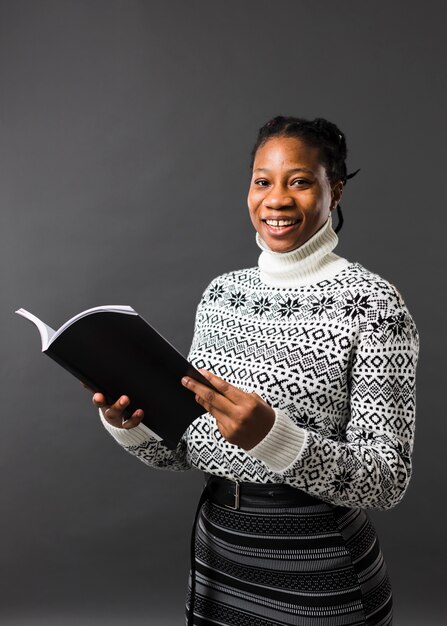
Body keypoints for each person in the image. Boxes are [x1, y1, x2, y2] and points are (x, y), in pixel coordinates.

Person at [92, 116, 419, 626]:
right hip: (220, 555)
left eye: (301, 181)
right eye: (263, 181)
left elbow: (386, 479)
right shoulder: (222, 296)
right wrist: (128, 422)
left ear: (334, 192)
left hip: (320, 565)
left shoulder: (373, 303)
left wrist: (275, 438)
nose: (277, 198)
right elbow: (185, 449)